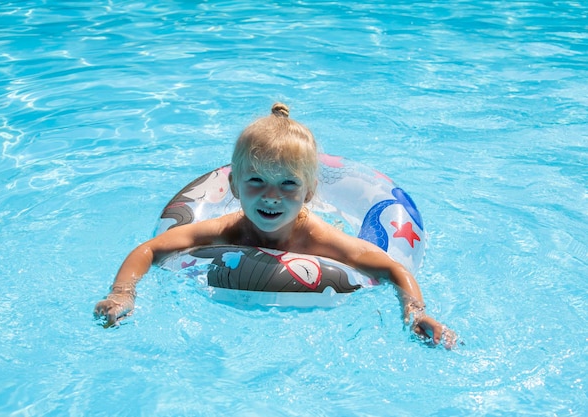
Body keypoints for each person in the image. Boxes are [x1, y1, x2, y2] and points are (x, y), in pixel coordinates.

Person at [94, 102, 457, 347]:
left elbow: (392, 267)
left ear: (309, 192)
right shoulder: (228, 227)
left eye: (288, 184)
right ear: (234, 185)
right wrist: (123, 293)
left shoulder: (317, 236)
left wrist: (414, 313)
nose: (271, 196)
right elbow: (151, 248)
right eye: (256, 182)